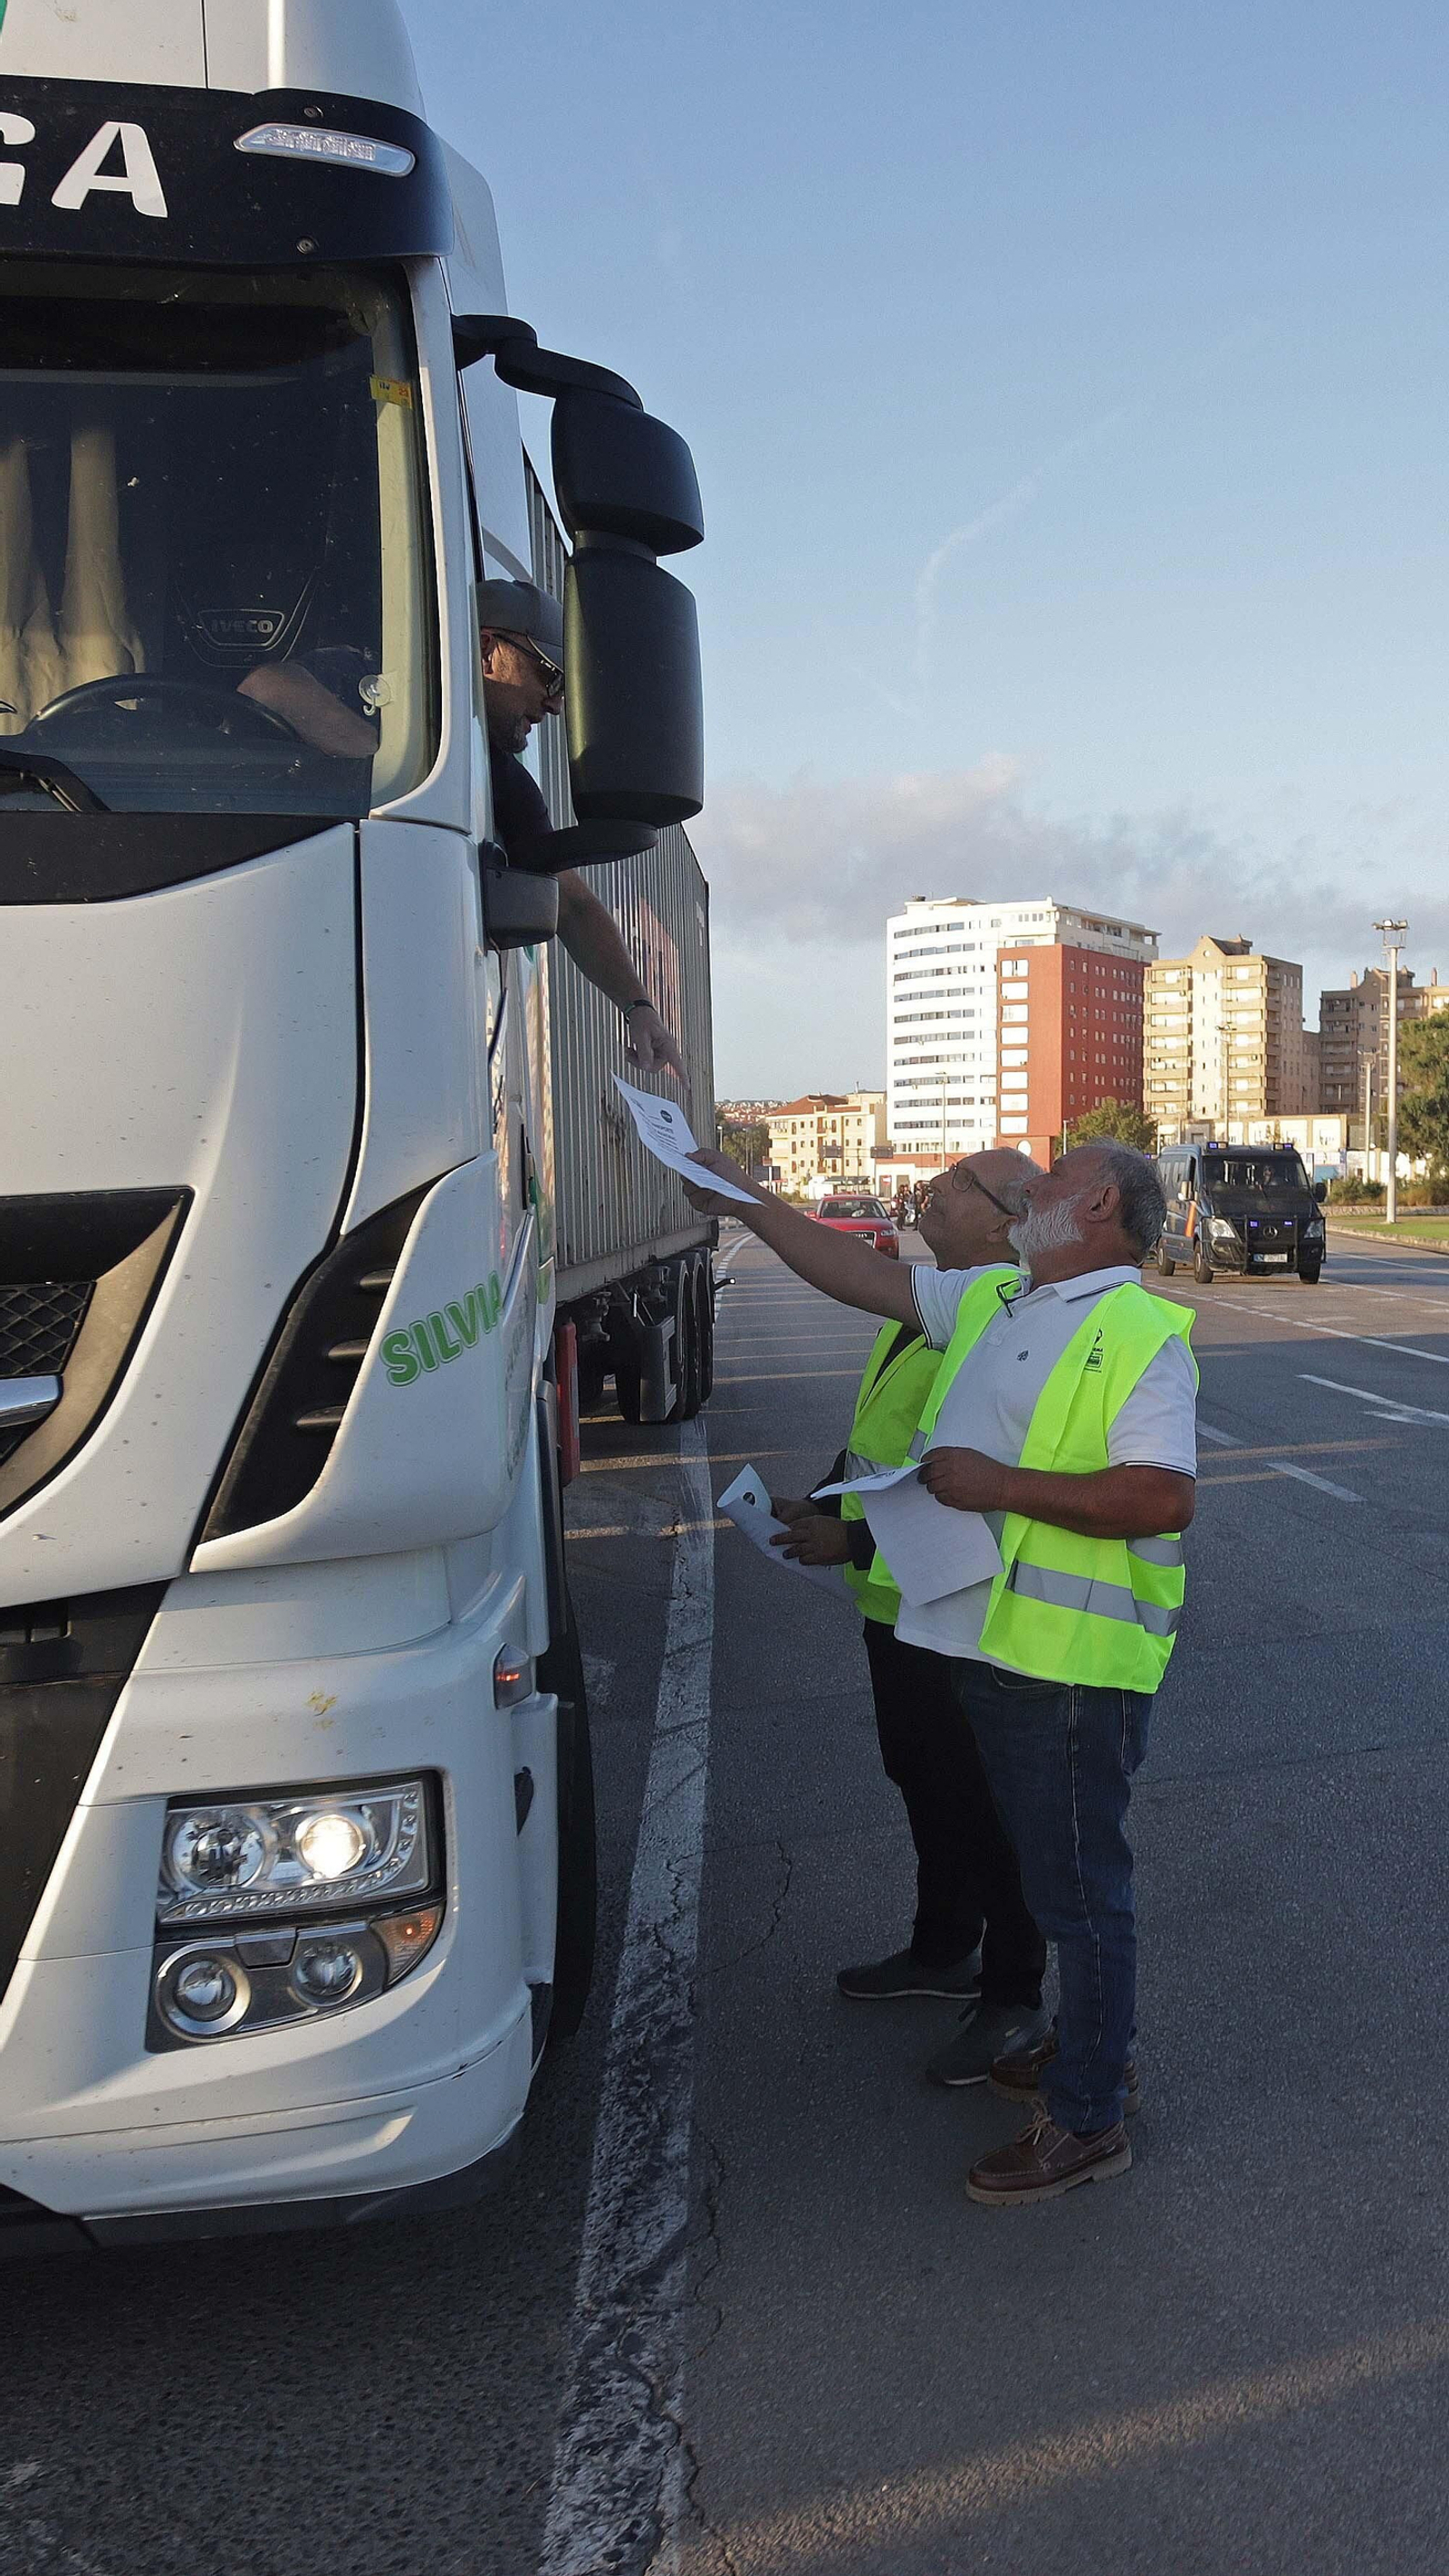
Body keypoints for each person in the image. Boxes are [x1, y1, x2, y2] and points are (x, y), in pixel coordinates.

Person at [685, 1138, 1196, 2210]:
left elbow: (1162, 1496)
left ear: (1097, 1204)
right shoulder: (999, 1298)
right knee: (1044, 1873)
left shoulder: (1135, 1329)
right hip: (984, 1646)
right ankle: (1091, 2053)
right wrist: (736, 1194)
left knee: (1079, 1895)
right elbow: (853, 1271)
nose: (1029, 1197)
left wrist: (1000, 1484)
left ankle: (1090, 2115)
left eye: (1049, 1184)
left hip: (1069, 1667)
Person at [769, 1152, 1049, 2083]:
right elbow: (882, 1438)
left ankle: (1013, 1998)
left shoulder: (997, 1305)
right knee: (923, 1779)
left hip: (955, 1605)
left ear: (1007, 1222)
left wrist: (852, 1544)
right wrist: (821, 1500)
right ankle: (940, 1948)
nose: (934, 1187)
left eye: (960, 1182)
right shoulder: (937, 1300)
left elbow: (963, 1475)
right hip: (900, 1607)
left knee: (984, 1806)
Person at [243, 579, 686, 1079]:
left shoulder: (505, 784)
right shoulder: (372, 676)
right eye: (551, 678)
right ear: (485, 650)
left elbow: (571, 902)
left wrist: (639, 1007)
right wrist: (400, 768)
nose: (556, 705)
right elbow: (269, 686)